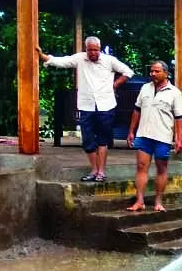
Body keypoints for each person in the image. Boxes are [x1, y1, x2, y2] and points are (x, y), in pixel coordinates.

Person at [38, 37, 132, 183]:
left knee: (102, 140)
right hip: (86, 105)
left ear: (99, 49)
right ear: (86, 49)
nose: (93, 53)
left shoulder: (109, 60)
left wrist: (115, 84)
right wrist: (44, 56)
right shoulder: (80, 59)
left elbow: (127, 72)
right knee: (87, 139)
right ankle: (93, 170)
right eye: (90, 50)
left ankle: (101, 172)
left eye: (96, 50)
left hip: (105, 105)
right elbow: (62, 61)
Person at [126, 59, 182, 212]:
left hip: (163, 136)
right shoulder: (145, 88)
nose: (153, 73)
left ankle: (158, 201)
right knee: (141, 166)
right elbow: (136, 110)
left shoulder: (174, 93)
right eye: (151, 71)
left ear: (165, 73)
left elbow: (180, 117)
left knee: (162, 168)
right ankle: (139, 201)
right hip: (144, 134)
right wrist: (131, 131)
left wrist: (179, 139)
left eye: (156, 71)